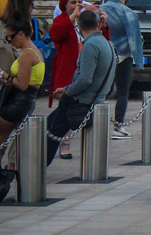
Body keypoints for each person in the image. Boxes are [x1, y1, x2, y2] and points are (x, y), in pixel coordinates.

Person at [0, 11, 45, 202]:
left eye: (10, 37)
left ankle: (0, 177)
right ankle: (0, 178)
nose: (9, 42)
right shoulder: (36, 52)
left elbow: (22, 84)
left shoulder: (27, 54)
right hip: (21, 104)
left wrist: (1, 74)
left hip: (15, 104)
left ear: (20, 34)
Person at [46, 11, 116, 166]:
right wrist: (66, 89)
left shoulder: (90, 45)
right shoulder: (106, 43)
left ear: (78, 26)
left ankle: (37, 167)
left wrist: (68, 92)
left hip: (80, 100)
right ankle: (36, 165)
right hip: (92, 98)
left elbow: (85, 79)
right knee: (47, 126)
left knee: (52, 134)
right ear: (97, 24)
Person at [101, 0, 144, 140]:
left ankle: (92, 122)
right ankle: (118, 126)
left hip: (103, 55)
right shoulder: (128, 13)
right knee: (122, 92)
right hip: (123, 57)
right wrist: (139, 61)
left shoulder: (101, 9)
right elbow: (135, 40)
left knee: (100, 91)